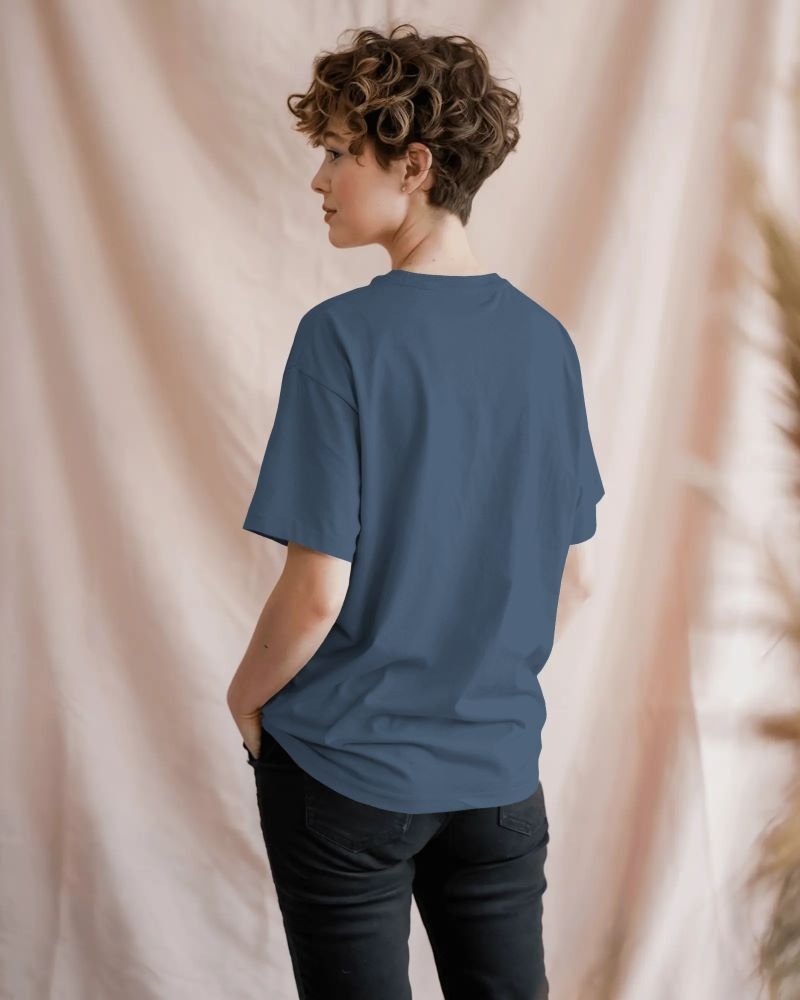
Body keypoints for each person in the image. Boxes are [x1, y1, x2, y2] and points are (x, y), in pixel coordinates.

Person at [226, 22, 604, 1000]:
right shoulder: (546, 344)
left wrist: (244, 698)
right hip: (499, 779)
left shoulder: (340, 338)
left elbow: (317, 592)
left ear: (415, 163)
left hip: (345, 773)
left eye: (339, 152)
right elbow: (574, 580)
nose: (318, 179)